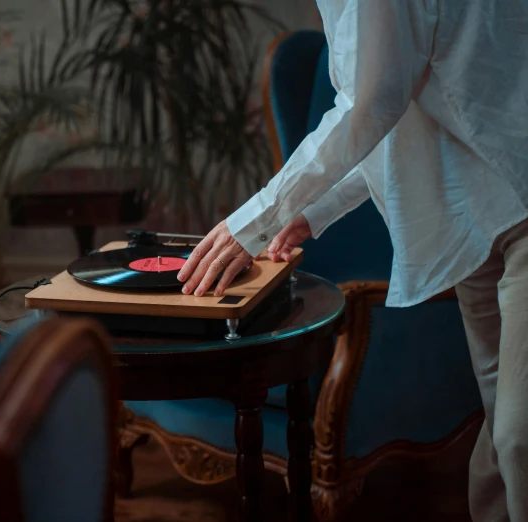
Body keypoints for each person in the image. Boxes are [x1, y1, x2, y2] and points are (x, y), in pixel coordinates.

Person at [176, 1, 528, 520]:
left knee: (519, 436)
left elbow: (373, 102)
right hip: (474, 213)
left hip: (519, 193)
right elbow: (395, 102)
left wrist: (255, 222)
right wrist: (310, 211)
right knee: (501, 437)